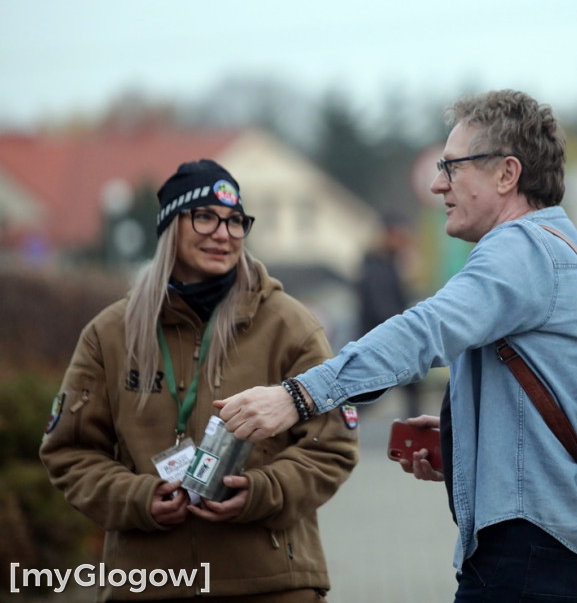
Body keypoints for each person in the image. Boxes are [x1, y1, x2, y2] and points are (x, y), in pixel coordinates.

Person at [217, 90, 577, 602]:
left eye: (452, 168)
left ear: (506, 174)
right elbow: (567, 398)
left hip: (527, 551)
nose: (437, 184)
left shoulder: (517, 251)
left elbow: (422, 331)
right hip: (566, 538)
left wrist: (297, 396)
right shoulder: (573, 252)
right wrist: (466, 439)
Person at [39, 159, 359, 602]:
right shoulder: (110, 334)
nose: (223, 234)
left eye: (234, 222)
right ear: (171, 225)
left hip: (271, 584)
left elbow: (333, 446)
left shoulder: (291, 326)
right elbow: (70, 452)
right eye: (205, 216)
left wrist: (261, 492)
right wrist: (137, 498)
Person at [356, 209, 420, 418]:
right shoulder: (375, 268)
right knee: (359, 399)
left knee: (412, 393)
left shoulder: (389, 264)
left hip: (388, 340)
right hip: (378, 342)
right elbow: (381, 309)